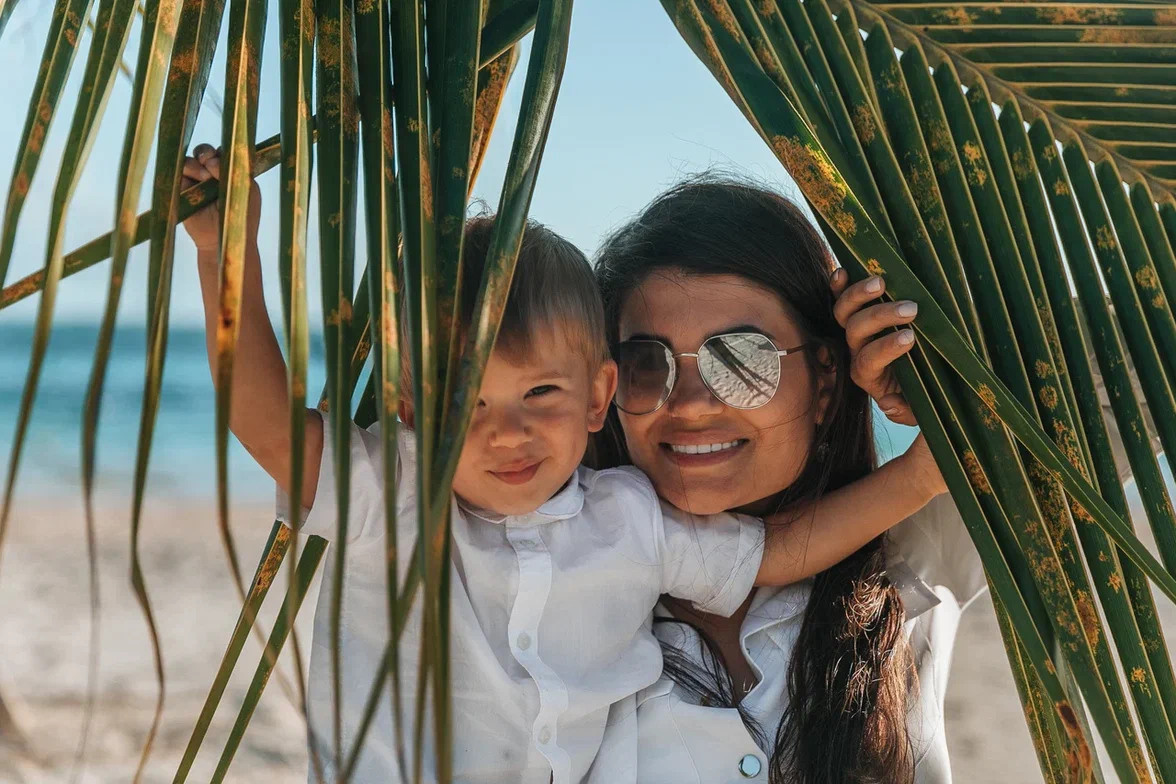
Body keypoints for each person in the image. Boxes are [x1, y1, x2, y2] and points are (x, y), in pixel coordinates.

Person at [181, 146, 944, 783]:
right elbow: (270, 430)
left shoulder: (634, 522)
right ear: (410, 409)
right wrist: (227, 254)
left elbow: (777, 555)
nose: (505, 433)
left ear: (594, 395)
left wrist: (926, 453)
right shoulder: (391, 493)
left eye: (740, 361)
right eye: (465, 400)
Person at [588, 176, 982, 783]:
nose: (689, 405)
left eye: (741, 359)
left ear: (826, 381)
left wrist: (933, 379)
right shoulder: (555, 583)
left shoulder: (913, 551)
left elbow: (1133, 390)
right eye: (648, 365)